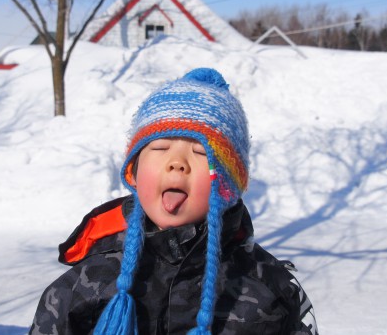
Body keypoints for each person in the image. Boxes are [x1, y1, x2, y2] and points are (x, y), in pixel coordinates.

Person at [30, 68, 318, 335]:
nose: (177, 163)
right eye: (160, 147)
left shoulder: (267, 288)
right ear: (135, 168)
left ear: (229, 183)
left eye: (200, 152)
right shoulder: (90, 280)